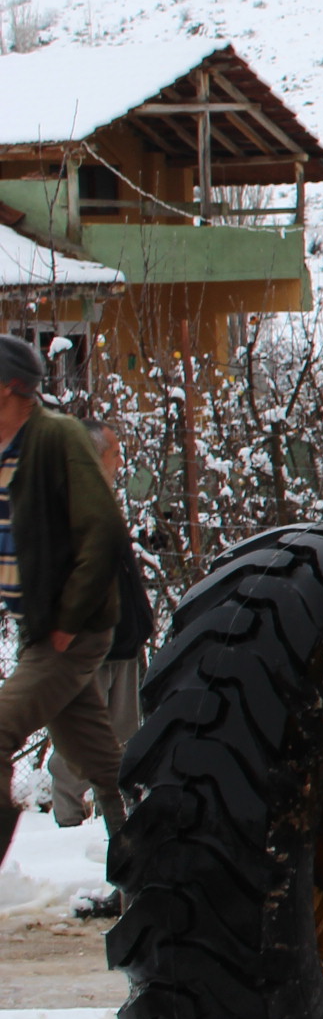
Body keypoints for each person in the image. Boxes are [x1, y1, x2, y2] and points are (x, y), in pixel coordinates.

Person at [0, 336, 129, 866]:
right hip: (42, 631)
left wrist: (69, 621)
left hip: (69, 631)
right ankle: (148, 847)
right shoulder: (9, 447)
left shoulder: (56, 438)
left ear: (9, 389)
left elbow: (102, 529)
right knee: (101, 762)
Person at [46, 420, 150, 828]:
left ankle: (120, 825)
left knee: (123, 738)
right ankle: (66, 828)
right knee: (77, 742)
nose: (120, 461)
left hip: (122, 644)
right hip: (86, 649)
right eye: (115, 453)